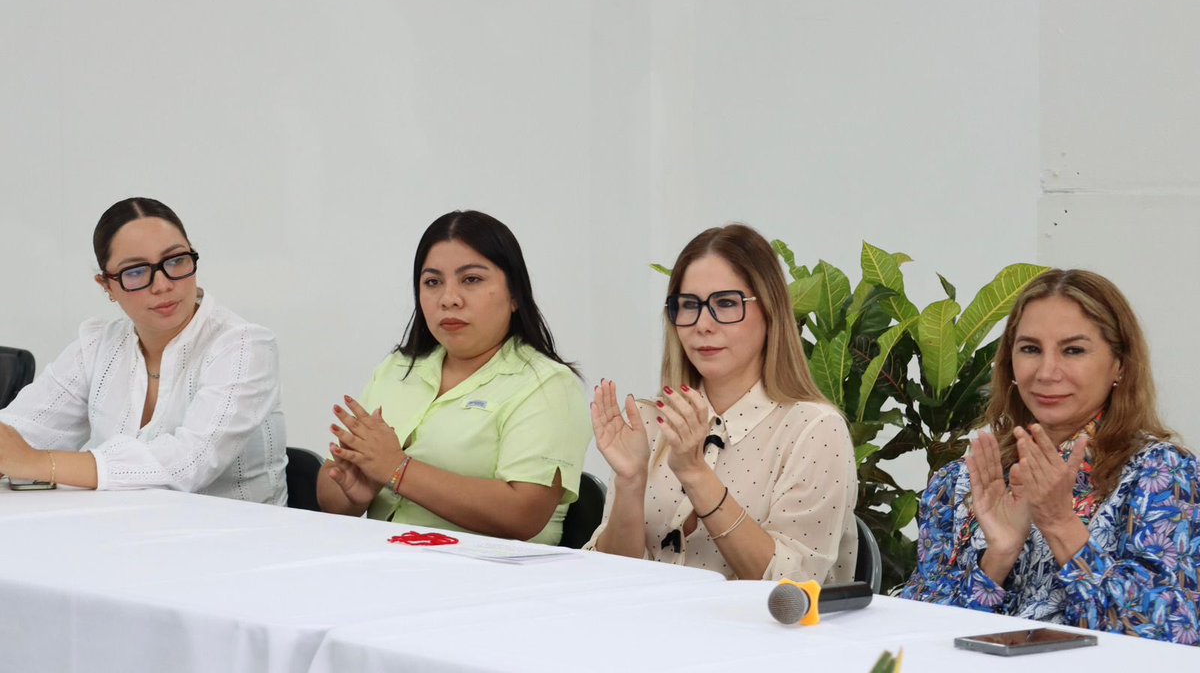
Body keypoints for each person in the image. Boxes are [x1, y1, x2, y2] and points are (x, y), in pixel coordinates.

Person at [902, 269, 1199, 645]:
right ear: (1009, 364)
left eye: (1073, 350)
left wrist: (1062, 526)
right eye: (1030, 349)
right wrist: (997, 557)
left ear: (1119, 365)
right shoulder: (962, 480)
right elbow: (914, 630)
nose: (1046, 372)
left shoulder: (1161, 474)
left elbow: (1173, 635)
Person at [586, 224, 857, 581]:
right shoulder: (653, 421)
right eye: (688, 306)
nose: (703, 324)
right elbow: (607, 580)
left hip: (761, 635)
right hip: (650, 630)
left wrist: (696, 474)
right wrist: (631, 482)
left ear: (771, 310)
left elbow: (793, 587)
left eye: (726, 304)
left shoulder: (815, 430)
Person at [316, 210, 590, 545]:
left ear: (515, 294)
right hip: (386, 567)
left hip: (495, 581)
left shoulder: (547, 385)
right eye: (432, 282)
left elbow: (523, 513)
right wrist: (355, 494)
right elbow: (330, 497)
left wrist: (397, 469)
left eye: (471, 280)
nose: (449, 299)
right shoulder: (398, 370)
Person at [0, 197, 287, 503]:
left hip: (242, 540)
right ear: (106, 286)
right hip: (129, 530)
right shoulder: (97, 343)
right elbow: (22, 429)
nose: (162, 285)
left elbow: (189, 464)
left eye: (176, 261)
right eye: (135, 271)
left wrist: (40, 463)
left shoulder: (244, 345)